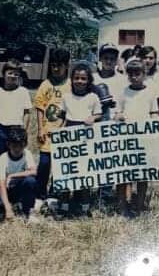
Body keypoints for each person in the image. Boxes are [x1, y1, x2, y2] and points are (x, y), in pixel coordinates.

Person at [56, 63, 102, 219]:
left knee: (84, 173)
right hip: (69, 134)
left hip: (86, 136)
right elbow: (61, 117)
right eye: (76, 78)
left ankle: (84, 207)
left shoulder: (93, 97)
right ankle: (63, 206)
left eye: (83, 78)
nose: (80, 81)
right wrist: (57, 131)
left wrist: (93, 118)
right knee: (66, 172)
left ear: (88, 80)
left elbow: (99, 115)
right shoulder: (66, 96)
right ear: (71, 79)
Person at [114, 60, 159, 218]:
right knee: (123, 174)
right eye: (131, 74)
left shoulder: (150, 92)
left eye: (137, 74)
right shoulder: (123, 92)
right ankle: (122, 206)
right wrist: (119, 117)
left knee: (142, 174)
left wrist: (157, 122)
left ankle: (140, 205)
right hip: (126, 138)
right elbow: (117, 112)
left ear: (144, 74)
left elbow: (154, 112)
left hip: (144, 139)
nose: (134, 77)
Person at [33, 48, 71, 209]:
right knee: (44, 164)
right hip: (47, 133)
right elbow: (40, 108)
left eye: (60, 65)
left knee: (59, 165)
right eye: (53, 65)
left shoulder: (70, 85)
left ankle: (54, 194)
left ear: (66, 66)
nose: (56, 69)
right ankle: (40, 194)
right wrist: (41, 128)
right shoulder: (45, 85)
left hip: (63, 134)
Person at [93, 43, 128, 204]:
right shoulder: (92, 77)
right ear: (100, 58)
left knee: (109, 161)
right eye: (106, 57)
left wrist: (121, 114)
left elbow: (126, 101)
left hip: (113, 125)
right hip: (94, 122)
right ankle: (85, 195)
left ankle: (104, 197)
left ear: (116, 60)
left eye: (112, 58)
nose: (109, 61)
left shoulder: (122, 79)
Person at [0, 127, 38, 222]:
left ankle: (27, 210)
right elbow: (1, 185)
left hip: (16, 187)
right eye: (14, 145)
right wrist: (8, 209)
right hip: (2, 188)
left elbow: (34, 171)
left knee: (31, 181)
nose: (18, 149)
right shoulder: (2, 159)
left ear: (25, 144)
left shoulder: (27, 154)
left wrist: (12, 175)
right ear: (8, 145)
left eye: (21, 145)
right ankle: (5, 207)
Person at [0, 60, 32, 160]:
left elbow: (27, 113)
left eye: (16, 74)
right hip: (0, 130)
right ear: (3, 74)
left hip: (16, 129)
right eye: (10, 73)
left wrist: (24, 131)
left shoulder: (23, 92)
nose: (13, 76)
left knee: (15, 158)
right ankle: (0, 175)